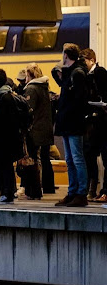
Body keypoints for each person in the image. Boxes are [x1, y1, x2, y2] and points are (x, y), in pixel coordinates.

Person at [52, 44, 89, 207]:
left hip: (73, 121)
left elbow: (80, 99)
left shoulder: (78, 73)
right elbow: (56, 74)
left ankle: (81, 193)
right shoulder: (72, 73)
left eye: (63, 54)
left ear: (66, 55)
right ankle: (73, 191)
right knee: (70, 159)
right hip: (68, 122)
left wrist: (67, 111)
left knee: (77, 158)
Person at [0, 67, 23, 204]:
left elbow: (8, 122)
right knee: (2, 167)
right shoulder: (0, 96)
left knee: (5, 167)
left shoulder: (5, 98)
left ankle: (7, 194)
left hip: (4, 140)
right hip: (1, 139)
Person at [22, 64, 53, 200]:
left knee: (31, 159)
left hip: (34, 129)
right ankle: (47, 187)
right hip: (45, 127)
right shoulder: (45, 87)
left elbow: (28, 110)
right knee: (44, 159)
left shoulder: (31, 89)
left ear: (29, 75)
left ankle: (33, 191)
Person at [82, 48, 107, 201]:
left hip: (102, 122)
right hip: (95, 122)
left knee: (103, 156)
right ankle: (94, 187)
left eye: (84, 61)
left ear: (92, 60)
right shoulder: (88, 75)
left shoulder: (99, 73)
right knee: (90, 154)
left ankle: (100, 189)